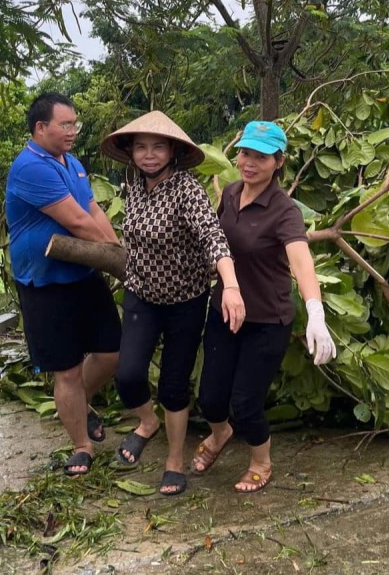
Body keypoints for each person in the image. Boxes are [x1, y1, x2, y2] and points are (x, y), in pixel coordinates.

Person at [99, 111, 245, 496]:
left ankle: (174, 461)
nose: (149, 155)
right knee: (128, 375)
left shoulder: (187, 190)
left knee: (173, 387)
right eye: (141, 147)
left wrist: (229, 285)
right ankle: (147, 424)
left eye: (158, 147)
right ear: (130, 153)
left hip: (185, 300)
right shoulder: (132, 187)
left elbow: (214, 239)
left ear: (172, 152)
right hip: (141, 295)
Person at [191, 120, 336, 493]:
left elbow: (301, 261)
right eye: (244, 153)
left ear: (278, 162)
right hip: (226, 311)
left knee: (246, 402)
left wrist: (315, 312)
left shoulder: (285, 211)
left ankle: (261, 462)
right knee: (209, 397)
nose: (248, 162)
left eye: (260, 156)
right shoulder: (230, 193)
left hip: (267, 319)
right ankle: (220, 434)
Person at [5, 92, 122, 477]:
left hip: (83, 274)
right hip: (44, 283)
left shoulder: (71, 163)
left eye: (76, 124)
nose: (73, 131)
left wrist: (119, 251)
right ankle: (81, 446)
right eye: (65, 124)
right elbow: (77, 223)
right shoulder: (30, 168)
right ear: (41, 128)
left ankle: (80, 405)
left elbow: (93, 209)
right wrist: (117, 257)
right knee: (67, 371)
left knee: (112, 352)